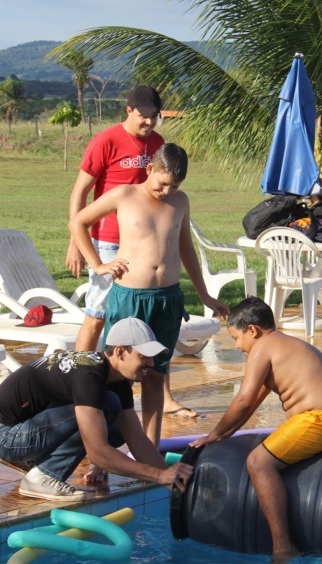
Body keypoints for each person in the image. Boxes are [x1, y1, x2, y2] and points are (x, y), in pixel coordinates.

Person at [69, 143, 230, 447]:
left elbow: (185, 248)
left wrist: (205, 295)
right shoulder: (124, 195)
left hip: (167, 300)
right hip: (129, 298)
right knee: (117, 375)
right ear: (150, 169)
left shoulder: (180, 201)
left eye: (174, 186)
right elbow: (78, 222)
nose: (167, 191)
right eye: (162, 183)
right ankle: (100, 452)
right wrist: (98, 265)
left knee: (156, 374)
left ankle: (150, 450)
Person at [189, 297, 322, 564]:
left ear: (252, 330)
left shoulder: (262, 347)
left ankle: (283, 547)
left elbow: (243, 400)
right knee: (268, 450)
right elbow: (253, 402)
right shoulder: (282, 344)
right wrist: (224, 434)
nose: (237, 346)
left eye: (236, 338)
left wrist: (213, 433)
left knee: (258, 462)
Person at [66, 85, 196, 420]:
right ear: (129, 110)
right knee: (98, 316)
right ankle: (80, 384)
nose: (150, 122)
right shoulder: (106, 141)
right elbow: (80, 193)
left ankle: (164, 397)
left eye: (155, 117)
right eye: (144, 116)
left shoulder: (159, 146)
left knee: (155, 343)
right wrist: (80, 247)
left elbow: (173, 217)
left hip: (151, 237)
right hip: (109, 242)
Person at [0, 317, 192, 502]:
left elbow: (137, 441)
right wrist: (158, 476)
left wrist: (171, 479)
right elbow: (98, 454)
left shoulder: (116, 379)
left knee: (118, 427)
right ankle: (43, 476)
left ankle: (37, 463)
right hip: (4, 437)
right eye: (144, 356)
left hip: (24, 429)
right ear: (120, 351)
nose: (151, 363)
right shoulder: (89, 376)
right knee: (107, 408)